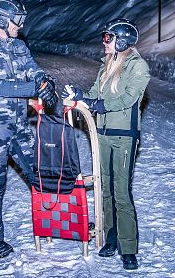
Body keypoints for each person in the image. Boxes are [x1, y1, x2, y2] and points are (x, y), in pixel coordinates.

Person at [0, 0, 57, 258]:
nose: (21, 25)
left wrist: (44, 81)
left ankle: (57, 220)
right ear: (1, 21)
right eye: (17, 20)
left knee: (40, 173)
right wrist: (34, 90)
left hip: (20, 123)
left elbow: (32, 69)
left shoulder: (18, 45)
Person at [61, 18, 150, 270]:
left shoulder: (138, 67)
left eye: (108, 38)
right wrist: (81, 96)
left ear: (122, 41)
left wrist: (100, 105)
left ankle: (129, 247)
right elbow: (95, 95)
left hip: (124, 135)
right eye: (105, 37)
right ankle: (111, 237)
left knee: (121, 192)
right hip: (101, 133)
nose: (105, 42)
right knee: (105, 189)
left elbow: (128, 99)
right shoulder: (107, 65)